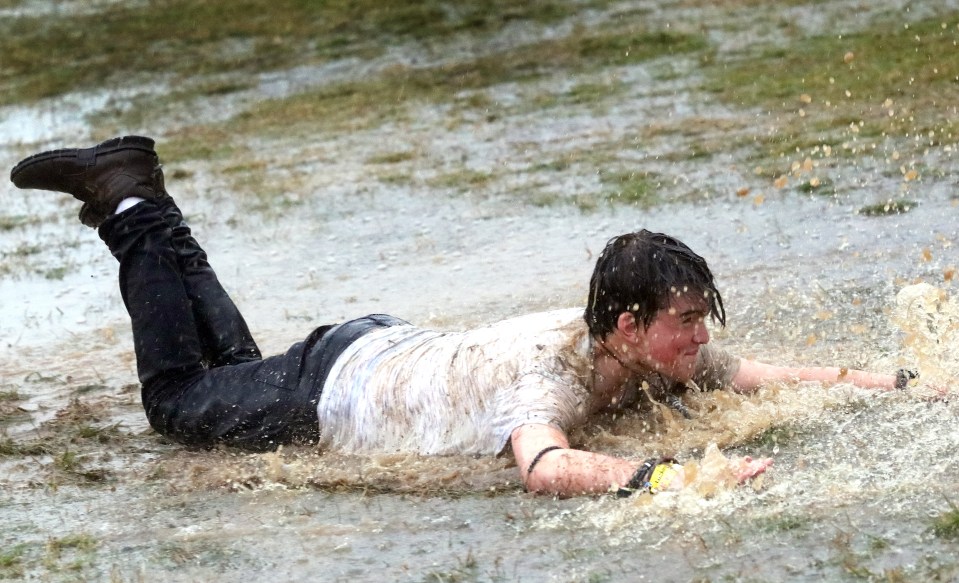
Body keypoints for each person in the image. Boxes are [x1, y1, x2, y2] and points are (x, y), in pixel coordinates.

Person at [9, 136, 912, 498]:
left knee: (225, 368)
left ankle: (133, 188)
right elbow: (545, 467)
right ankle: (129, 207)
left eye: (700, 319)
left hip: (375, 351)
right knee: (178, 402)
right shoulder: (551, 373)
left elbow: (764, 374)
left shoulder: (640, 346)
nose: (702, 338)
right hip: (328, 393)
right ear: (627, 325)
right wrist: (677, 479)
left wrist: (904, 382)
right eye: (686, 320)